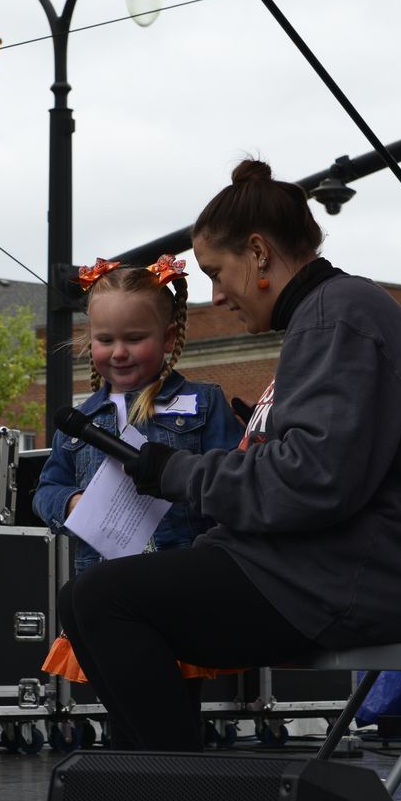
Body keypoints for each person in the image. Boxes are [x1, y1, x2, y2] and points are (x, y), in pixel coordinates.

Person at [60, 160, 401, 750]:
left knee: (98, 600)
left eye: (219, 272)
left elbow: (311, 481)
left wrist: (175, 470)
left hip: (342, 582)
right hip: (334, 572)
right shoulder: (338, 316)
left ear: (260, 253)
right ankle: (165, 793)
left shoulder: (337, 317)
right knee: (117, 596)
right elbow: (321, 460)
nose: (217, 295)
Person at [33, 255, 243, 683]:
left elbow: (235, 480)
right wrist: (70, 501)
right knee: (124, 700)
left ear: (168, 338)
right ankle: (132, 754)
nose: (119, 352)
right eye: (105, 339)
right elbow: (45, 488)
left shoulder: (204, 403)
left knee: (174, 700)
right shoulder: (80, 418)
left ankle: (172, 754)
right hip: (103, 583)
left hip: (181, 580)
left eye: (134, 337)